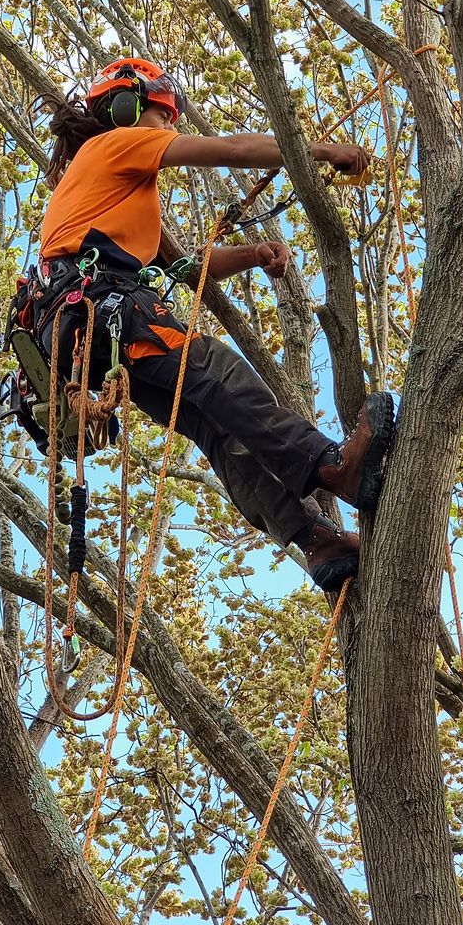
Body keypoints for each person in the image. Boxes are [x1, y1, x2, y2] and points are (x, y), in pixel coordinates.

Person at [36, 58, 394, 590]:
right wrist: (320, 151)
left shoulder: (107, 197)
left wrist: (252, 255)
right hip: (108, 308)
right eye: (164, 116)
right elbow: (228, 150)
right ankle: (334, 467)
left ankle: (315, 542)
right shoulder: (115, 143)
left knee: (214, 424)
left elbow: (186, 267)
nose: (170, 128)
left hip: (82, 328)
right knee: (216, 370)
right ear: (128, 108)